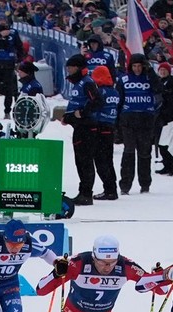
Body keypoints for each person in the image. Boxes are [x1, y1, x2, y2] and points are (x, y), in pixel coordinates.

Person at [117, 54, 161, 196]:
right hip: (128, 120)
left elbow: (159, 89)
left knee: (144, 154)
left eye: (139, 66)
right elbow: (119, 99)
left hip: (145, 120)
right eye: (134, 66)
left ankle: (145, 184)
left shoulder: (149, 78)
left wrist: (151, 72)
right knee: (128, 152)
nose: (137, 69)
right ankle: (125, 185)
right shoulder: (123, 79)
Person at [62, 54, 101, 205]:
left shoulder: (87, 83)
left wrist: (82, 113)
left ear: (77, 68)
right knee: (80, 160)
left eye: (70, 67)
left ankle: (86, 193)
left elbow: (97, 101)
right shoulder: (79, 83)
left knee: (85, 161)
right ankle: (83, 191)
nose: (68, 70)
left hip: (87, 128)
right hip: (80, 127)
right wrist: (69, 117)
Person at [0, 17, 25, 120]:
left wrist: (19, 60)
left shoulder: (13, 33)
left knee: (9, 89)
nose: (2, 22)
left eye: (4, 21)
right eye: (0, 20)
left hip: (8, 63)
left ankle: (7, 112)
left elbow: (19, 47)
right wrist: (0, 35)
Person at [92, 66, 120, 200]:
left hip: (100, 128)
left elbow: (95, 108)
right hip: (110, 128)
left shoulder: (100, 92)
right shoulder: (114, 92)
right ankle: (112, 188)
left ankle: (109, 190)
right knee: (108, 160)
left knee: (100, 160)